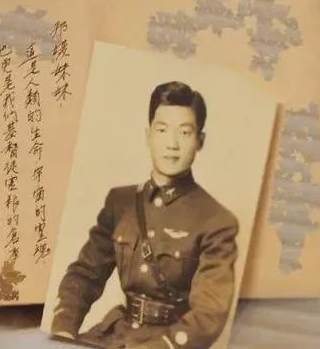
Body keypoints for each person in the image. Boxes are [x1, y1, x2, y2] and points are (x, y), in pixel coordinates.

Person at [51, 81, 238, 349]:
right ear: (148, 135)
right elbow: (84, 274)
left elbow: (208, 316)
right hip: (113, 334)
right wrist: (63, 331)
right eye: (162, 130)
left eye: (185, 132)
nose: (172, 144)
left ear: (200, 141)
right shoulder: (120, 202)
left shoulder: (216, 221)